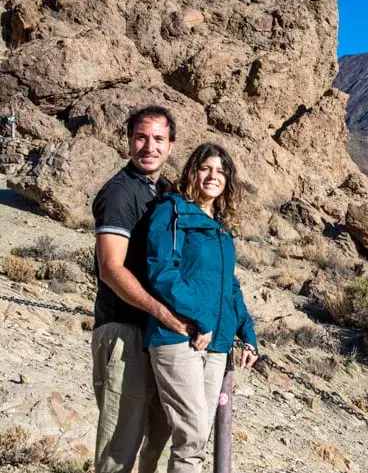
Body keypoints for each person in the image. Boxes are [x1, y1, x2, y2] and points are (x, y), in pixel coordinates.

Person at [144, 142, 259, 473]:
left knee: (197, 436)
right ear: (192, 172)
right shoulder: (173, 211)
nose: (214, 176)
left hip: (217, 343)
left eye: (221, 171)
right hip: (178, 336)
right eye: (206, 168)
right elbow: (162, 271)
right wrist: (201, 318)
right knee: (192, 436)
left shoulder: (221, 228)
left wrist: (248, 333)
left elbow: (229, 286)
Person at [91, 106, 191, 473]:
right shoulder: (120, 193)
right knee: (120, 448)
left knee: (158, 443)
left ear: (171, 145)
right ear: (129, 140)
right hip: (125, 332)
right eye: (141, 137)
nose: (149, 146)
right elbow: (110, 268)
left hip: (157, 337)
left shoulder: (164, 192)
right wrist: (162, 312)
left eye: (158, 139)